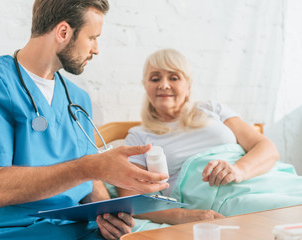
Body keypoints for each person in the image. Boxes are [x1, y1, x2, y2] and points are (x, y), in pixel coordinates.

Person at [0, 1, 170, 239]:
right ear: (63, 32)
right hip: (0, 231)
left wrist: (109, 215)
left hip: (69, 229)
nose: (96, 49)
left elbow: (90, 181)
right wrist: (91, 166)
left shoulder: (77, 99)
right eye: (92, 37)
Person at [118, 48, 302, 231]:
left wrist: (238, 170)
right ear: (145, 85)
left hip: (263, 179)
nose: (164, 85)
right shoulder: (138, 136)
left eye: (174, 78)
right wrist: (182, 215)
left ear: (188, 86)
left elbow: (266, 147)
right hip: (225, 198)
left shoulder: (212, 109)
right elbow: (131, 198)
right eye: (155, 78)